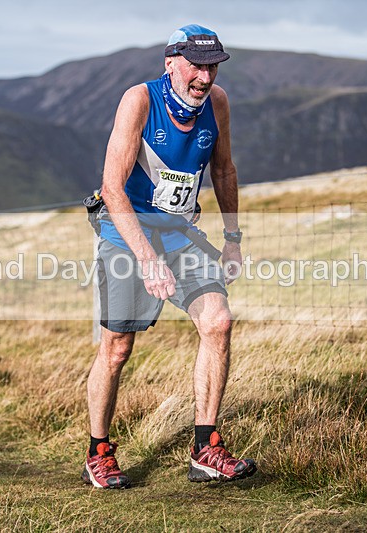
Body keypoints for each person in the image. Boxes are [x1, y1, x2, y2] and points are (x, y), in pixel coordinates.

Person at [82, 24, 256, 489]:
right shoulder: (139, 100)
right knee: (117, 348)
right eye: (196, 66)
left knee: (218, 321)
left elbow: (224, 169)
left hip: (179, 234)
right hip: (126, 232)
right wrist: (146, 259)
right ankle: (98, 452)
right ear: (171, 63)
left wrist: (233, 238)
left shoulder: (217, 103)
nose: (205, 76)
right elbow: (112, 188)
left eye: (213, 66)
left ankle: (205, 449)